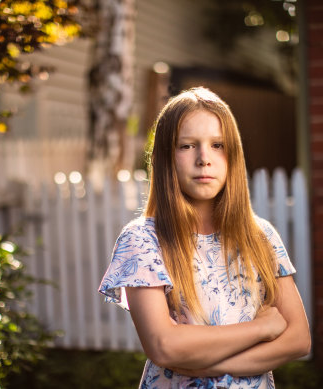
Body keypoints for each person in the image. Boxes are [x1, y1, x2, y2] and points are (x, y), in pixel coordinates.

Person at [98, 87, 310, 388]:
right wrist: (263, 328)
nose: (204, 159)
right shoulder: (143, 240)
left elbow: (298, 339)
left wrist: (210, 363)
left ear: (233, 155)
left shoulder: (260, 236)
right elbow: (163, 346)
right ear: (165, 157)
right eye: (186, 146)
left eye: (217, 145)